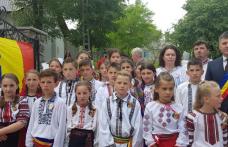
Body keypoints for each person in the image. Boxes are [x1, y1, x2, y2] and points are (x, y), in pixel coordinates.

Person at [143, 72, 188, 147]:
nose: (168, 92)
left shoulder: (179, 107)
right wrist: (152, 143)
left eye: (171, 89)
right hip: (156, 143)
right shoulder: (150, 107)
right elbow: (146, 129)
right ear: (156, 89)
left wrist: (179, 144)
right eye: (164, 89)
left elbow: (183, 129)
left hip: (175, 143)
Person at [99, 71, 143, 147]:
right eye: (119, 83)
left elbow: (138, 128)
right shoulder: (107, 103)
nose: (122, 86)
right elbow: (104, 126)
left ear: (130, 85)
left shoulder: (135, 103)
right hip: (111, 143)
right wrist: (109, 144)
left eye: (125, 83)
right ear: (114, 84)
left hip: (129, 143)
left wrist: (134, 145)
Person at [26, 69, 67, 147]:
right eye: (43, 82)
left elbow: (61, 127)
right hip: (36, 142)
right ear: (39, 83)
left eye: (49, 82)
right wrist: (28, 143)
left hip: (51, 143)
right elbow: (31, 123)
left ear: (56, 83)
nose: (45, 85)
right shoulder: (37, 102)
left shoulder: (60, 103)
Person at [186, 81, 228, 147]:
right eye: (218, 96)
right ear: (206, 99)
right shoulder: (192, 117)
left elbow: (225, 141)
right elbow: (190, 140)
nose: (222, 98)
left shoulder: (223, 117)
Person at [0, 73, 30, 147]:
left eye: (11, 85)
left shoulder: (22, 100)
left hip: (15, 138)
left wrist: (1, 132)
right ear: (1, 86)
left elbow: (21, 122)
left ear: (17, 86)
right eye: (5, 86)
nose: (8, 89)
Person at [65, 81, 98, 147]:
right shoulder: (70, 109)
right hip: (73, 141)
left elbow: (97, 129)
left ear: (90, 93)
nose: (82, 96)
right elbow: (67, 128)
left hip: (88, 141)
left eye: (85, 93)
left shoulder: (95, 109)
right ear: (76, 94)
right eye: (79, 93)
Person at [205, 31, 228, 113]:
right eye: (224, 43)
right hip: (218, 111)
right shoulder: (211, 65)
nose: (227, 45)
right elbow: (206, 89)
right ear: (219, 46)